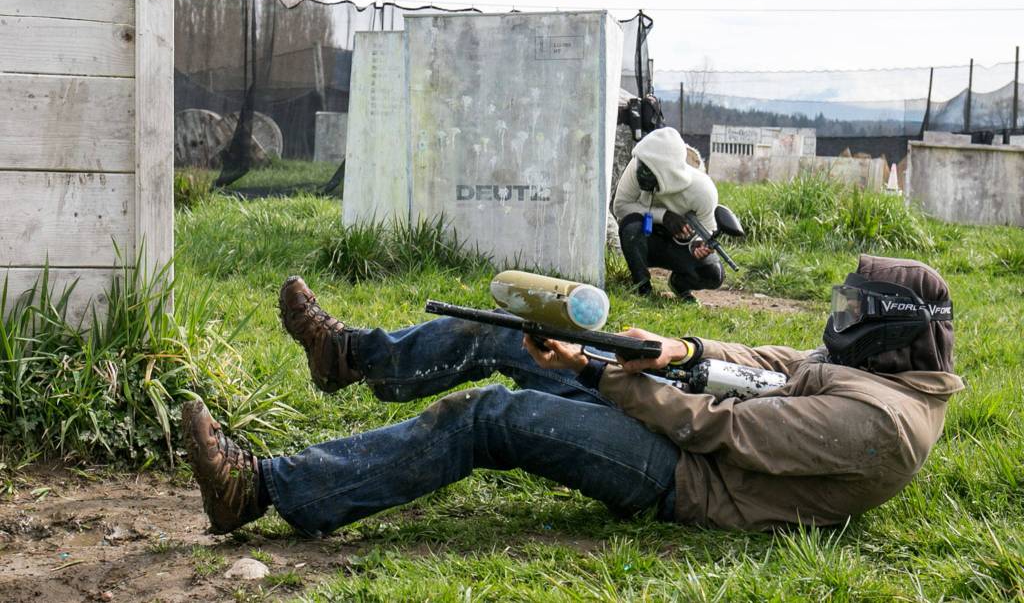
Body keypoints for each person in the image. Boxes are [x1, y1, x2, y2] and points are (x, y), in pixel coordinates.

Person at [182, 255, 961, 536]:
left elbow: (711, 430)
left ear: (891, 333)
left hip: (690, 482)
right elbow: (780, 360)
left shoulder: (882, 427)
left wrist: (598, 373)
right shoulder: (879, 374)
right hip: (681, 428)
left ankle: (260, 492)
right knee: (510, 331)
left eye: (854, 313)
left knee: (490, 417)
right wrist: (682, 348)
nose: (838, 321)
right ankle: (350, 357)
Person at [612, 127, 722, 301]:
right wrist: (663, 216)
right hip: (645, 241)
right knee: (631, 226)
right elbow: (620, 207)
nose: (641, 172)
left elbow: (707, 231)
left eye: (649, 169)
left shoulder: (703, 190)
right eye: (642, 164)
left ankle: (680, 284)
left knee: (713, 275)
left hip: (680, 247)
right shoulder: (636, 165)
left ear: (667, 170)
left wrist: (699, 246)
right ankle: (642, 288)